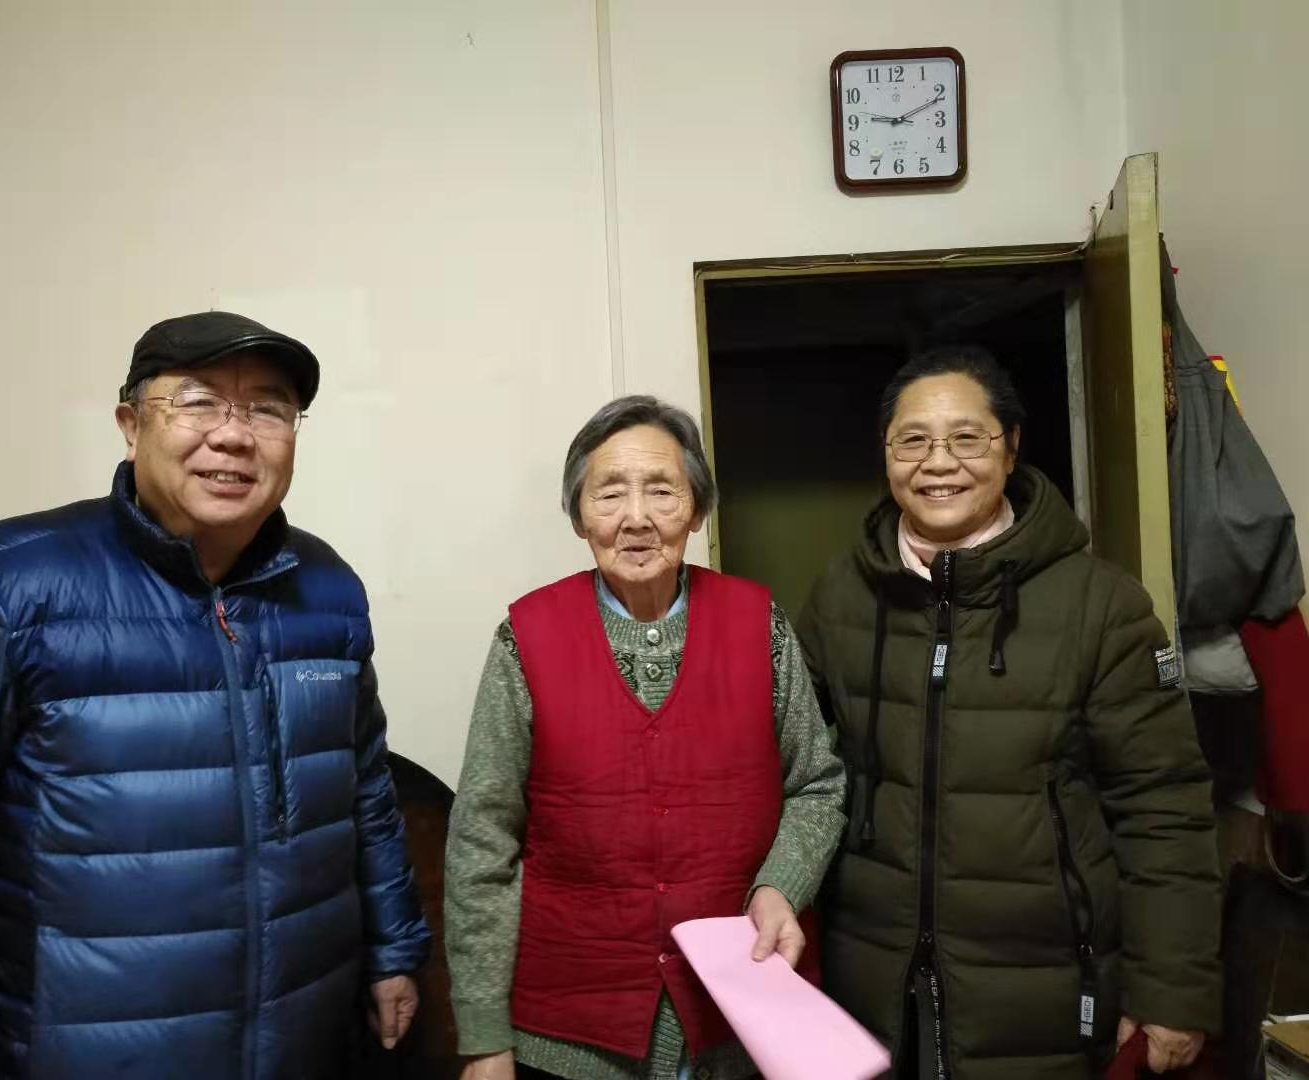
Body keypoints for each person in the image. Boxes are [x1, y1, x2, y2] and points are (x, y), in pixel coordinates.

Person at [0, 311, 432, 1078]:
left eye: (267, 409)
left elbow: (364, 789)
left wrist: (393, 949)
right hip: (86, 1050)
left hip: (303, 1033)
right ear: (131, 427)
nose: (233, 436)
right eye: (198, 402)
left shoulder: (328, 588)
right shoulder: (6, 580)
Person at [796, 346, 1221, 1079]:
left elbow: (1164, 807)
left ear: (1012, 445)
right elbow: (791, 769)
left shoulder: (1101, 606)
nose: (939, 463)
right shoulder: (842, 596)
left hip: (1046, 995)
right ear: (886, 452)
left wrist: (1173, 992)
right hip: (871, 986)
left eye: (967, 437)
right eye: (913, 441)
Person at [445, 395, 846, 1080]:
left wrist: (781, 885)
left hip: (742, 1014)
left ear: (697, 509)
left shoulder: (761, 626)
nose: (636, 517)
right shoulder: (526, 639)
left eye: (661, 490)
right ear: (580, 516)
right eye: (609, 493)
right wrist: (484, 1036)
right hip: (571, 1032)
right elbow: (483, 839)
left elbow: (817, 783)